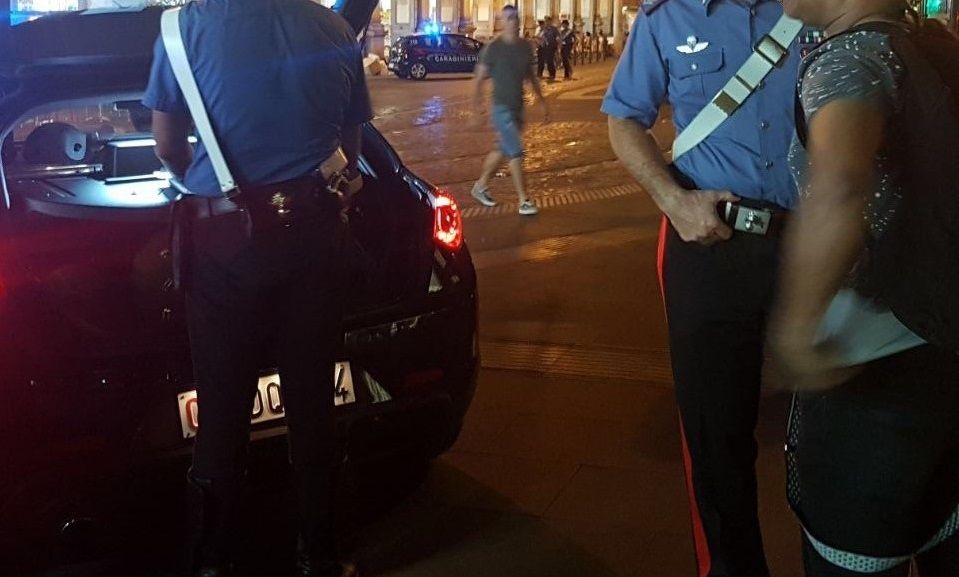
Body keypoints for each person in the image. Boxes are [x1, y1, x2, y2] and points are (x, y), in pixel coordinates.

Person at [143, 0, 372, 574]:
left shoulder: (181, 29)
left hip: (225, 248)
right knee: (313, 403)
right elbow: (352, 150)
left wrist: (208, 177)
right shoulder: (332, 26)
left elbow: (169, 146)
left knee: (221, 409)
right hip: (315, 241)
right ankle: (320, 555)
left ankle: (213, 562)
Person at [603, 1, 801, 576]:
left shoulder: (810, 8)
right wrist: (672, 201)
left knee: (842, 420)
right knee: (715, 437)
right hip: (708, 243)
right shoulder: (665, 18)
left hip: (815, 244)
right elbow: (623, 118)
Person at [771, 0, 959, 575]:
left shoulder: (848, 62)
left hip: (873, 377)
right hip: (944, 344)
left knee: (852, 556)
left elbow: (841, 184)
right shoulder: (929, 46)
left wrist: (797, 331)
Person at [470, 4, 550, 216]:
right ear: (501, 22)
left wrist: (542, 101)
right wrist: (476, 109)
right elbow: (478, 79)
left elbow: (531, 77)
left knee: (502, 149)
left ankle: (480, 186)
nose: (512, 22)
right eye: (508, 18)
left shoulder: (525, 47)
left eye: (514, 17)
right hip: (501, 109)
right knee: (515, 152)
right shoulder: (493, 48)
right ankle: (524, 200)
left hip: (517, 109)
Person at [537, 15, 559, 80]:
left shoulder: (554, 29)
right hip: (542, 47)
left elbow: (557, 37)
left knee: (550, 61)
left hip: (551, 47)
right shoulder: (542, 29)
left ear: (550, 21)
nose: (546, 22)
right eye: (545, 21)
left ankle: (552, 74)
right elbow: (538, 36)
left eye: (548, 21)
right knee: (541, 61)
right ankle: (539, 74)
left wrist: (557, 47)